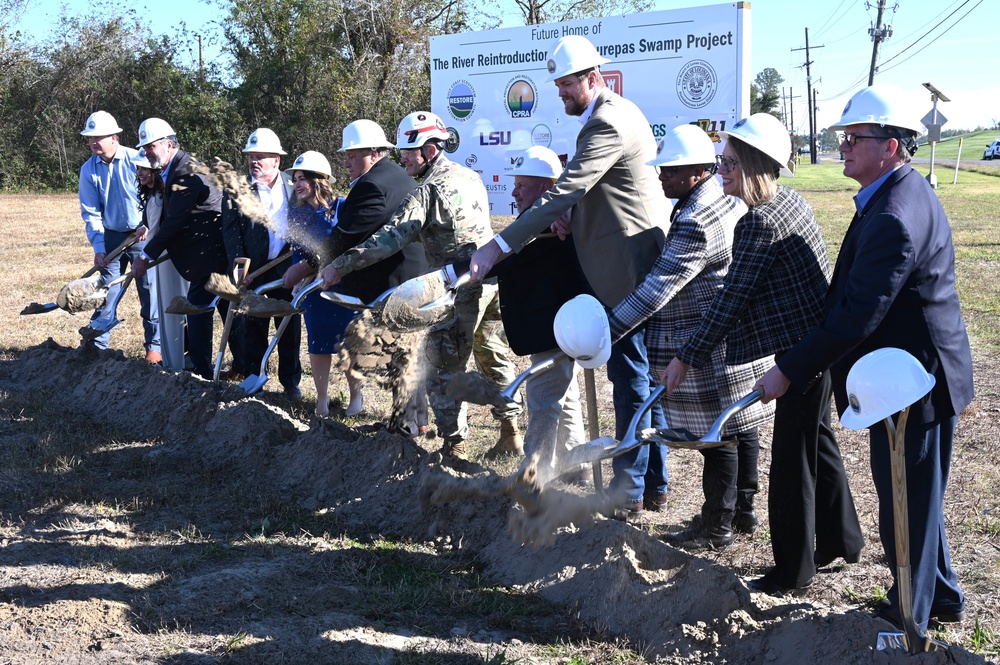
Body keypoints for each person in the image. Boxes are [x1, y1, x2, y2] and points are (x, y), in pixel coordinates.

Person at [754, 85, 973, 627]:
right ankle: (938, 597)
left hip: (912, 385)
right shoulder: (893, 193)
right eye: (844, 137)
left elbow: (856, 315)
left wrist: (790, 368)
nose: (845, 146)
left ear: (892, 146)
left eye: (856, 138)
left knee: (906, 504)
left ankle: (908, 625)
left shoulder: (895, 213)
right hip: (907, 376)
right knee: (917, 499)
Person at [663, 113, 864, 594]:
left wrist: (686, 355)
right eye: (719, 161)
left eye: (729, 162)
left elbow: (730, 300)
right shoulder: (789, 202)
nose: (720, 170)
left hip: (803, 353)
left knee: (793, 459)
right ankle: (842, 540)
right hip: (821, 344)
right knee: (819, 443)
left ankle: (792, 571)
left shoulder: (758, 224)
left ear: (753, 164)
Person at [468, 35, 669, 513]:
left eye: (566, 86)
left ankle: (630, 491)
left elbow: (567, 189)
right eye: (557, 85)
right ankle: (653, 484)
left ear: (592, 78)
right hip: (627, 259)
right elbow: (590, 194)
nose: (561, 95)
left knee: (631, 377)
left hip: (627, 266)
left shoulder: (606, 122)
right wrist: (572, 216)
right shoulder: (613, 113)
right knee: (640, 377)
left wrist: (498, 244)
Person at [606, 124, 774, 548]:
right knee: (741, 426)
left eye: (670, 171)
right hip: (735, 333)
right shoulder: (721, 198)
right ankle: (744, 514)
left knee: (717, 439)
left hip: (707, 342)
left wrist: (606, 330)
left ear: (699, 172)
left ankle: (716, 527)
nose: (661, 177)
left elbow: (657, 290)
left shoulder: (696, 219)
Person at [320, 111, 511, 462]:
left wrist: (340, 264)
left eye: (409, 151)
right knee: (494, 358)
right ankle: (511, 433)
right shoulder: (471, 177)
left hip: (459, 289)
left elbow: (388, 240)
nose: (402, 157)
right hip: (492, 283)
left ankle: (455, 446)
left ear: (431, 150)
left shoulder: (428, 192)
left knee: (442, 368)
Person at [487, 146, 589, 471]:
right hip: (559, 327)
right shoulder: (551, 220)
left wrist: (465, 265)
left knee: (543, 397)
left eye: (521, 185)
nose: (514, 192)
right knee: (565, 394)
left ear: (545, 188)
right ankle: (577, 467)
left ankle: (534, 474)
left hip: (554, 327)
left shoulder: (545, 226)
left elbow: (499, 262)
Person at [329, 119, 421, 418]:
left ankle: (407, 425)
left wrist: (311, 265)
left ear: (371, 151)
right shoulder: (396, 175)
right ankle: (412, 421)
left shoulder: (372, 185)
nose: (346, 163)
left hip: (396, 282)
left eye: (351, 156)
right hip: (410, 279)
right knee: (404, 354)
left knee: (400, 354)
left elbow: (347, 235)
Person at [131, 117, 229, 381]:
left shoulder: (185, 172)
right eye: (145, 148)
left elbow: (176, 220)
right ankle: (235, 365)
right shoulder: (173, 169)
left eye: (150, 146)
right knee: (224, 309)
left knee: (199, 310)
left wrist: (146, 254)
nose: (146, 152)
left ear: (169, 144)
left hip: (208, 254)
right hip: (202, 255)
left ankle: (202, 373)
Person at [221, 128, 302, 398]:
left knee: (288, 327)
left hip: (288, 268)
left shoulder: (296, 185)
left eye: (261, 157)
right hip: (256, 272)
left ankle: (290, 382)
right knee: (254, 325)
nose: (254, 162)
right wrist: (241, 270)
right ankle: (255, 375)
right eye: (251, 157)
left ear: (276, 160)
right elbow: (231, 234)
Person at [78, 110, 160, 362]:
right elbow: (91, 212)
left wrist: (147, 225)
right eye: (90, 138)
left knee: (150, 292)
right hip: (112, 236)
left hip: (142, 236)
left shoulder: (137, 159)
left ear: (114, 137)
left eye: (98, 138)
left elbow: (154, 193)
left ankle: (155, 350)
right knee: (107, 291)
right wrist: (99, 247)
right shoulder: (88, 170)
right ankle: (97, 348)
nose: (93, 143)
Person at [280, 151, 357, 417]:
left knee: (349, 343)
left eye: (303, 178)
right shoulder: (297, 216)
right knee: (318, 342)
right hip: (315, 289)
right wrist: (299, 279)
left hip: (344, 285)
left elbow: (350, 245)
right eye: (295, 179)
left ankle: (355, 396)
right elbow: (298, 253)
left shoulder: (344, 208)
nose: (297, 184)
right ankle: (322, 399)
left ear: (319, 180)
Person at [134, 150, 189, 371]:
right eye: (138, 169)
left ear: (156, 172)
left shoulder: (159, 197)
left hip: (168, 262)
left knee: (173, 309)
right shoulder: (154, 196)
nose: (140, 173)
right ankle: (175, 360)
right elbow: (153, 225)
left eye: (144, 169)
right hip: (163, 260)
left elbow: (160, 231)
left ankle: (175, 362)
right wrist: (144, 224)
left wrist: (143, 257)